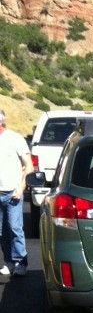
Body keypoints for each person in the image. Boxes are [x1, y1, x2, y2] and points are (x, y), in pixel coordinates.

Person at [0, 109, 34, 281]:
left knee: (14, 228)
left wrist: (21, 187)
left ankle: (21, 262)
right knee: (1, 231)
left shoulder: (15, 139)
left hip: (12, 192)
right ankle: (9, 262)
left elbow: (29, 166)